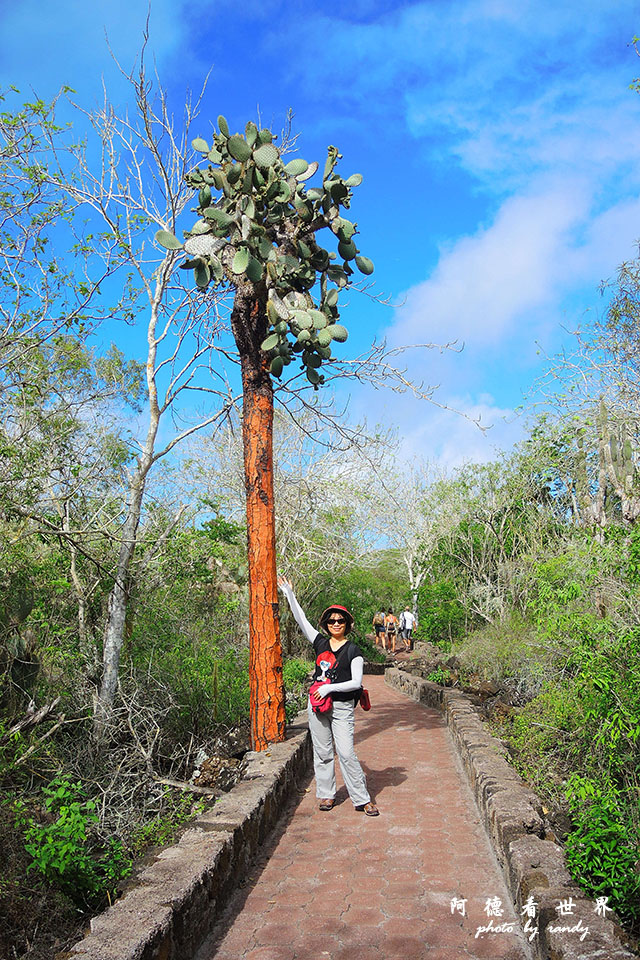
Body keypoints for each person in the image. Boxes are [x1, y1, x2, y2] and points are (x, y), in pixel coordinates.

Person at [278, 576, 379, 816]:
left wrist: (330, 688)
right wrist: (289, 595)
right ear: (326, 624)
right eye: (332, 620)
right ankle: (326, 794)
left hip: (342, 707)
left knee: (345, 752)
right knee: (322, 752)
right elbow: (300, 620)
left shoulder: (353, 650)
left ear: (347, 624)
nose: (336, 623)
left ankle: (362, 798)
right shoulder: (320, 642)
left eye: (340, 620)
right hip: (317, 706)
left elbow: (356, 682)